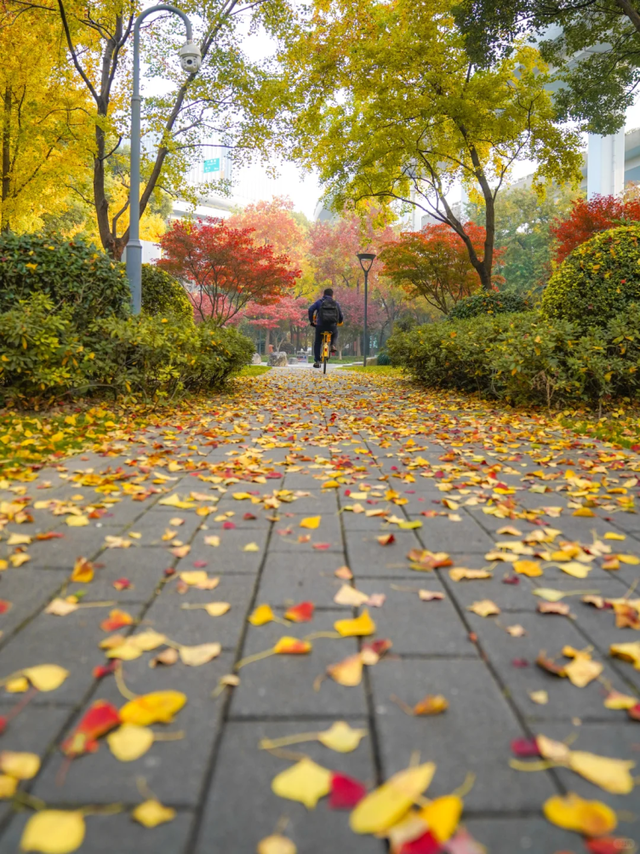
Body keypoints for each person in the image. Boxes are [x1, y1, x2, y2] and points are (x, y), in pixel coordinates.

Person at [308, 288, 344, 368]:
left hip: (320, 326)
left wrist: (311, 321)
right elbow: (341, 316)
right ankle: (333, 345)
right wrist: (339, 321)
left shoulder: (319, 302)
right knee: (335, 333)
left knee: (317, 342)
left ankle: (317, 360)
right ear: (332, 295)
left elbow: (310, 309)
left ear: (323, 294)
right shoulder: (335, 303)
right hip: (332, 326)